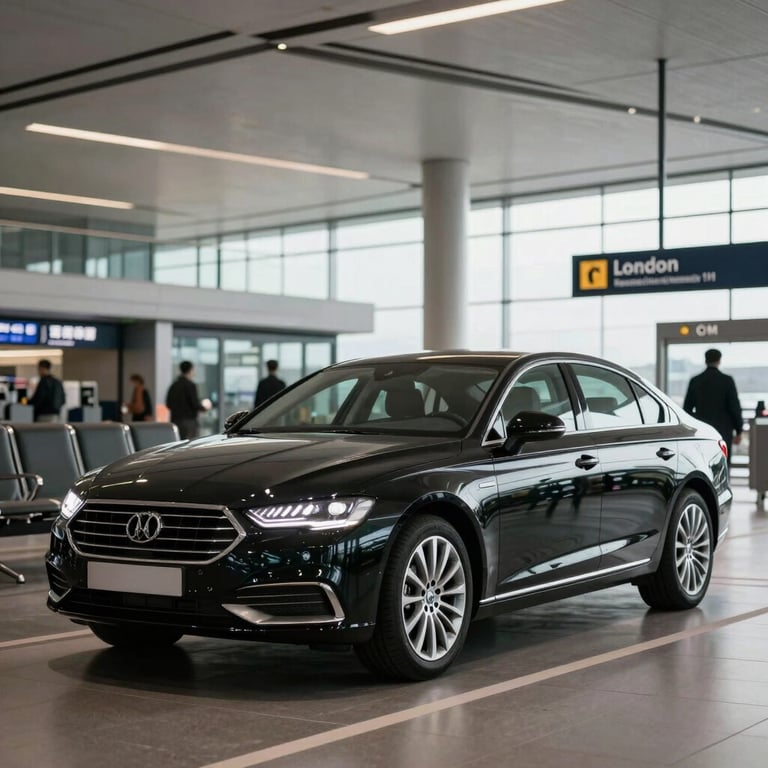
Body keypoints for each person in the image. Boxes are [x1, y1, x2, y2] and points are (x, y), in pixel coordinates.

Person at [683, 348, 743, 461]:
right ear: (719, 360)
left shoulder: (695, 380)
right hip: (724, 430)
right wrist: (739, 430)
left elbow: (687, 409)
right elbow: (734, 407)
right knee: (722, 462)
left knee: (702, 461)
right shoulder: (727, 380)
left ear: (705, 361)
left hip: (702, 430)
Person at [165, 361, 208, 440]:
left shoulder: (174, 385)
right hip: (189, 422)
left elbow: (168, 404)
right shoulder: (190, 385)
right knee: (190, 444)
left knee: (177, 443)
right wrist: (204, 408)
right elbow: (195, 404)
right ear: (190, 370)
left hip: (175, 421)